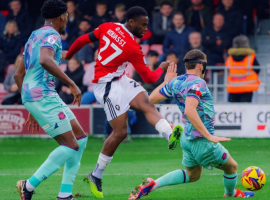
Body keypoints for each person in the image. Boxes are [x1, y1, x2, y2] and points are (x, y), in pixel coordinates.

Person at [63, 6, 183, 198]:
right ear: (132, 22)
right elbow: (150, 78)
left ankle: (170, 134)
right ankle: (96, 174)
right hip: (107, 87)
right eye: (143, 25)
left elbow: (83, 39)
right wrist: (161, 69)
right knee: (120, 132)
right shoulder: (132, 47)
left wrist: (68, 55)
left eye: (147, 25)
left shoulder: (107, 26)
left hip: (120, 79)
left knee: (146, 104)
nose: (145, 28)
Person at [129, 50, 255, 199]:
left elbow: (151, 99)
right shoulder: (198, 83)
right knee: (232, 167)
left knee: (193, 174)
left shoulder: (177, 81)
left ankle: (153, 184)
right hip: (202, 141)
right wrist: (209, 135)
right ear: (201, 66)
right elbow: (189, 109)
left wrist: (166, 82)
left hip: (187, 139)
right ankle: (231, 194)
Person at [14, 1, 87, 200]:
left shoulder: (34, 35)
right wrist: (72, 83)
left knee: (80, 139)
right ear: (62, 16)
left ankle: (64, 194)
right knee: (71, 145)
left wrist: (30, 105)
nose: (67, 20)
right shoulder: (53, 35)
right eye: (67, 16)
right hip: (44, 96)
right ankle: (28, 185)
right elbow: (46, 60)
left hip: (36, 96)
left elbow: (18, 75)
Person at [226, 35, 260, 103]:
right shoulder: (251, 57)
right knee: (245, 109)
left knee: (233, 109)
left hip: (233, 87)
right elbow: (258, 69)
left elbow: (228, 70)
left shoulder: (229, 58)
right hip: (247, 88)